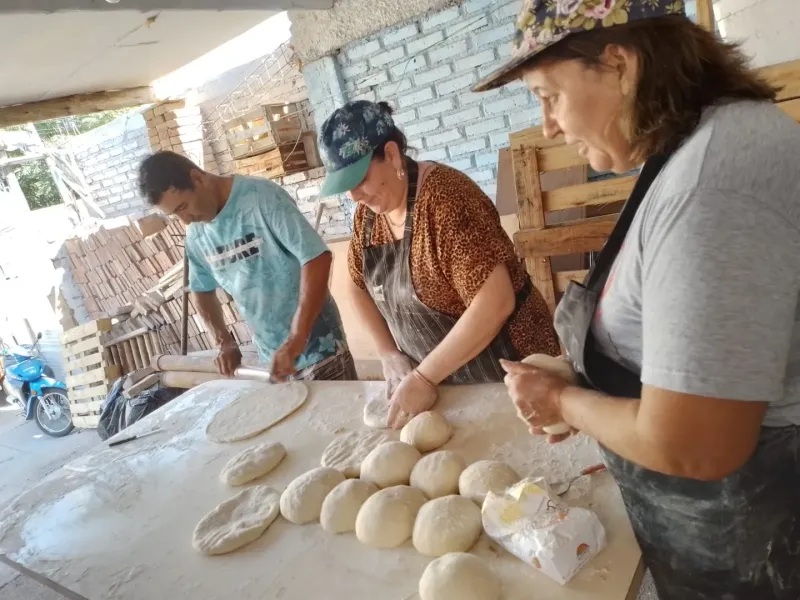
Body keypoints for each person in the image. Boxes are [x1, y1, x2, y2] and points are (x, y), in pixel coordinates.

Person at [476, 0, 800, 598]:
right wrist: (585, 370)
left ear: (620, 66)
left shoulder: (712, 187)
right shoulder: (698, 143)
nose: (548, 126)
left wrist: (565, 400)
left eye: (549, 96)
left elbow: (696, 442)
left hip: (749, 549)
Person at [317, 100, 559, 428]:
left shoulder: (447, 200)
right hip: (439, 378)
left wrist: (425, 377)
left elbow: (495, 301)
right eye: (345, 188)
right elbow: (357, 285)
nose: (354, 197)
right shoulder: (369, 217)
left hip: (509, 370)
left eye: (360, 181)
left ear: (391, 155)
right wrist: (389, 353)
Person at [137, 151, 356, 382]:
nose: (186, 220)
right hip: (271, 360)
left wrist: (296, 339)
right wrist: (225, 342)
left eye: (183, 206)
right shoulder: (196, 235)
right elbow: (202, 290)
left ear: (197, 178)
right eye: (175, 215)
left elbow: (316, 258)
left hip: (320, 350)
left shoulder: (261, 197)